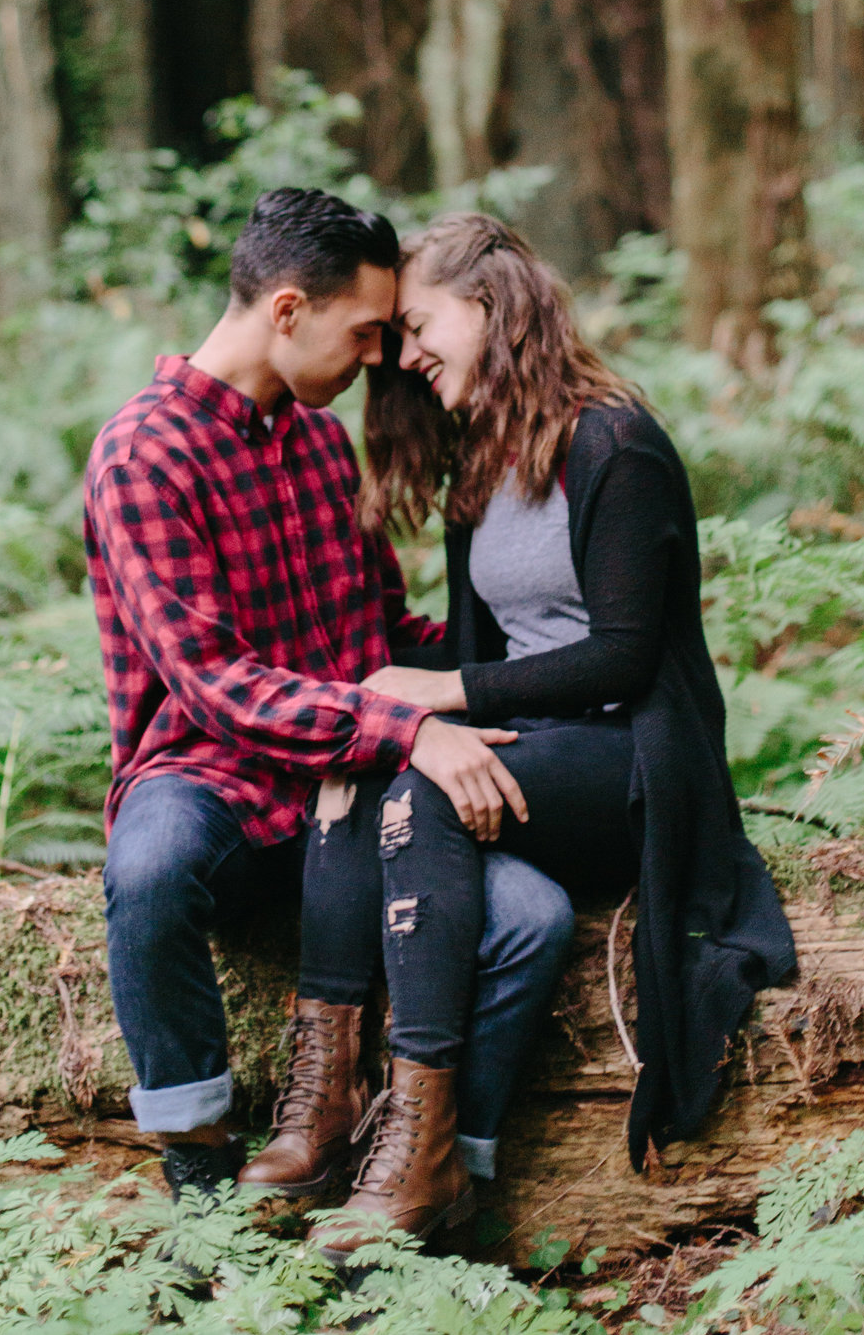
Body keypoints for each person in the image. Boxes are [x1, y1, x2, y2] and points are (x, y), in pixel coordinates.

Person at [263, 212, 795, 1254]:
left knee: (416, 784)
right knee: (360, 768)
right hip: (539, 748)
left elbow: (625, 657)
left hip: (630, 755)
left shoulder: (613, 443)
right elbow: (486, 648)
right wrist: (408, 714)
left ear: (490, 307)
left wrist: (439, 692)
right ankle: (326, 1100)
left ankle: (424, 1148)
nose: (404, 357)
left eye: (418, 327)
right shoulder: (486, 462)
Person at [85, 187, 575, 1203]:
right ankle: (197, 1174)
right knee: (149, 867)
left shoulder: (316, 444)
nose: (378, 359)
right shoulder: (144, 454)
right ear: (285, 311)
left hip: (352, 803)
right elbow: (216, 687)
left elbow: (383, 630)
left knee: (530, 919)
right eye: (361, 333)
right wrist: (409, 733)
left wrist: (542, 663)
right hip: (221, 784)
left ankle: (441, 1175)